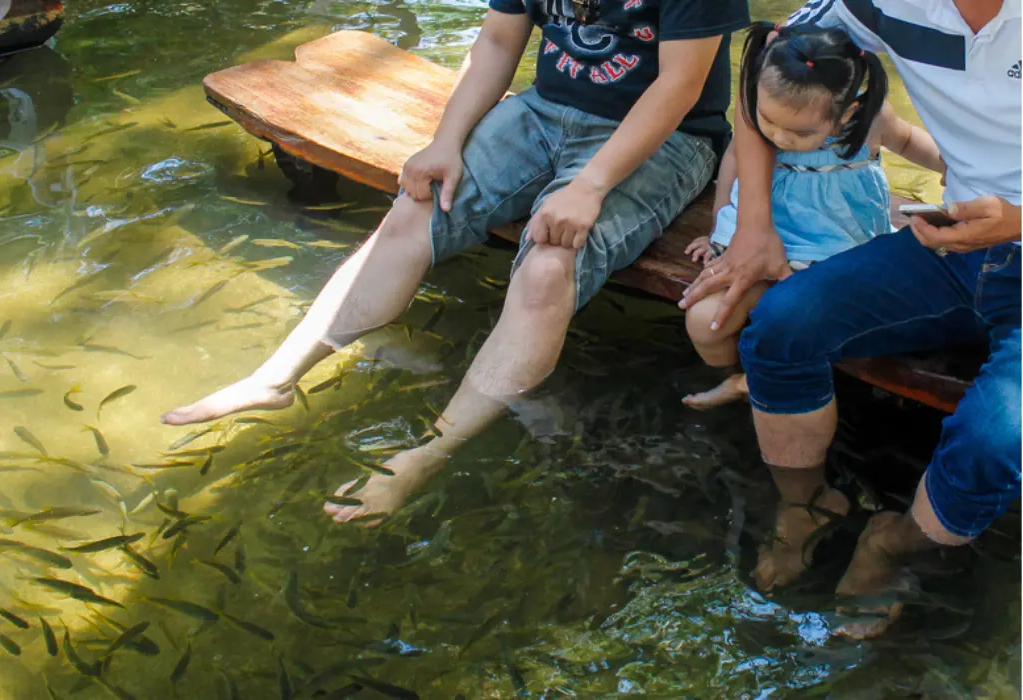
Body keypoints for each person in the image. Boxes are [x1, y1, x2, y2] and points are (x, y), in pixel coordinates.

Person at [162, 0, 750, 524]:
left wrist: (591, 186)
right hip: (542, 110)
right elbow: (497, 42)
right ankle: (275, 378)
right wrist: (444, 140)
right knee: (414, 207)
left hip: (669, 138)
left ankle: (425, 454)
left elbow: (678, 86)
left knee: (549, 268)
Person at [680, 0, 1021, 639]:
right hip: (948, 244)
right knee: (783, 323)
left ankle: (895, 544)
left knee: (999, 440)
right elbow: (766, 63)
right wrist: (753, 227)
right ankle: (806, 505)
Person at [681, 22, 945, 410]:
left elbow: (907, 139)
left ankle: (759, 381)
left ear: (848, 111)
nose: (779, 138)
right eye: (767, 121)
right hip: (759, 246)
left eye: (798, 132)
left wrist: (956, 168)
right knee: (705, 323)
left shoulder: (869, 120)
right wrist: (720, 224)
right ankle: (737, 379)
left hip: (836, 249)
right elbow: (736, 158)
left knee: (809, 325)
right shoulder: (764, 113)